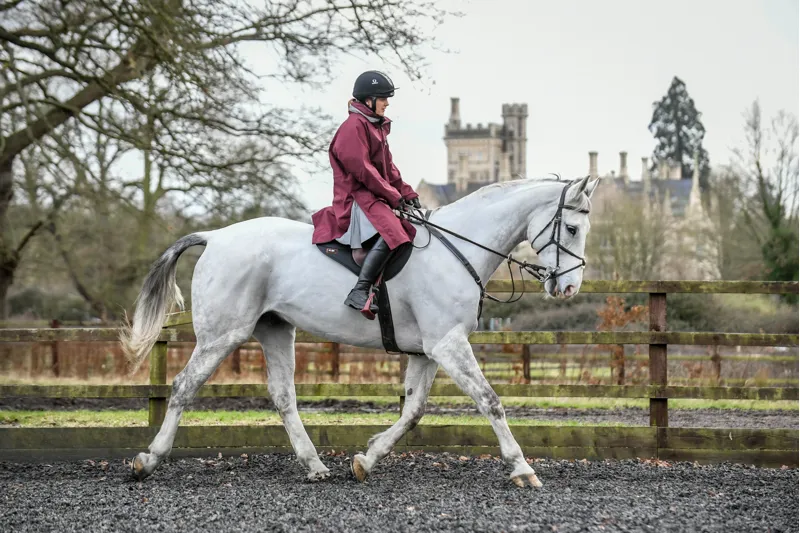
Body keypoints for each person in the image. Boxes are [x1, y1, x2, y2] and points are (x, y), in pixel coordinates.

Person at [311, 70, 422, 319]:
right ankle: (360, 290)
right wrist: (394, 197)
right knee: (395, 231)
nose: (387, 103)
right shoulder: (353, 127)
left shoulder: (375, 127)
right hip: (356, 199)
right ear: (369, 99)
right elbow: (363, 171)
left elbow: (388, 167)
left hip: (373, 196)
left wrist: (406, 192)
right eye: (383, 98)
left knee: (411, 225)